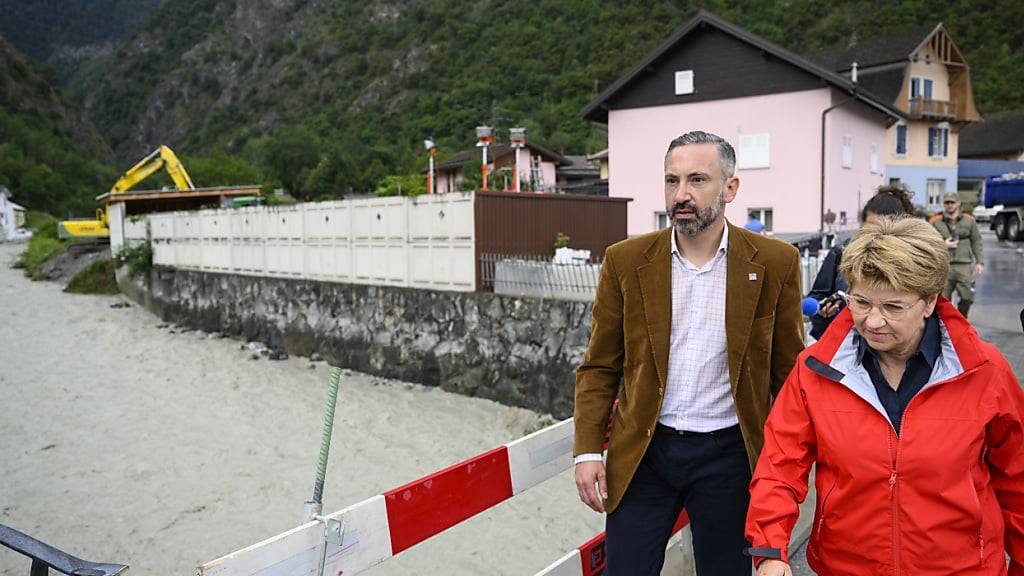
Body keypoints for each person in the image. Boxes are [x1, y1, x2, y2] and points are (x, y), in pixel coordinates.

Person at [573, 131, 805, 575]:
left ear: (730, 188)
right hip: (645, 453)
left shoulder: (776, 262)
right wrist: (587, 452)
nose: (681, 194)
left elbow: (789, 373)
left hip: (730, 457)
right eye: (672, 180)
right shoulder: (625, 260)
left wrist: (792, 464)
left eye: (698, 179)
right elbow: (600, 365)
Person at [746, 217, 1024, 575]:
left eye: (893, 307)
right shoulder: (814, 369)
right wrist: (770, 550)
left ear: (929, 303)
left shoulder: (985, 371)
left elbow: (1017, 476)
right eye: (860, 302)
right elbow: (779, 467)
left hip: (963, 567)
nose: (872, 321)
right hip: (846, 566)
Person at [807, 185, 915, 340]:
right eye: (870, 229)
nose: (876, 237)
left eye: (886, 231)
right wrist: (823, 311)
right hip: (846, 346)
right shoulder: (841, 254)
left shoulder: (917, 262)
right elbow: (818, 296)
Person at [929, 191, 984, 318]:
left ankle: (961, 318)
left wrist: (980, 261)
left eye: (952, 202)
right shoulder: (935, 221)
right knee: (943, 299)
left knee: (967, 296)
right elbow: (928, 241)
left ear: (958, 204)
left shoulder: (969, 221)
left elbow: (976, 241)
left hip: (963, 264)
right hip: (943, 265)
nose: (949, 205)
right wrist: (943, 245)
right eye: (947, 203)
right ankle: (946, 323)